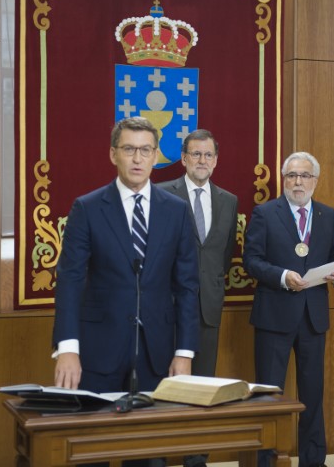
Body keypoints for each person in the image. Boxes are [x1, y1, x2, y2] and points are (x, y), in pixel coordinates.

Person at [53, 116, 199, 467]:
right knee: (92, 450)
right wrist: (67, 349)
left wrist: (185, 352)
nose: (137, 158)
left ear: (155, 156)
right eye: (129, 149)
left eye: (145, 150)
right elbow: (69, 280)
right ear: (113, 154)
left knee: (148, 453)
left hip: (157, 351)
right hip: (97, 350)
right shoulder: (87, 208)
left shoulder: (177, 211)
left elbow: (187, 284)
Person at [243, 152, 334, 467]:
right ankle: (266, 460)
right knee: (268, 397)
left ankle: (314, 460)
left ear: (315, 181)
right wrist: (282, 277)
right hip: (274, 316)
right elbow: (252, 261)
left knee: (312, 396)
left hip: (313, 319)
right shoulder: (265, 213)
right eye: (292, 175)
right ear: (284, 179)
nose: (298, 182)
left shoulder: (328, 215)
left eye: (304, 175)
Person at [159, 129, 238, 467]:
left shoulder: (229, 201)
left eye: (208, 155)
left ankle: (196, 459)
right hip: (166, 309)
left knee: (203, 390)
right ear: (184, 158)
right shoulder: (162, 194)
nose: (202, 160)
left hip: (208, 308)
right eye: (196, 154)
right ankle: (156, 458)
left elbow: (222, 256)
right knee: (163, 390)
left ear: (216, 161)